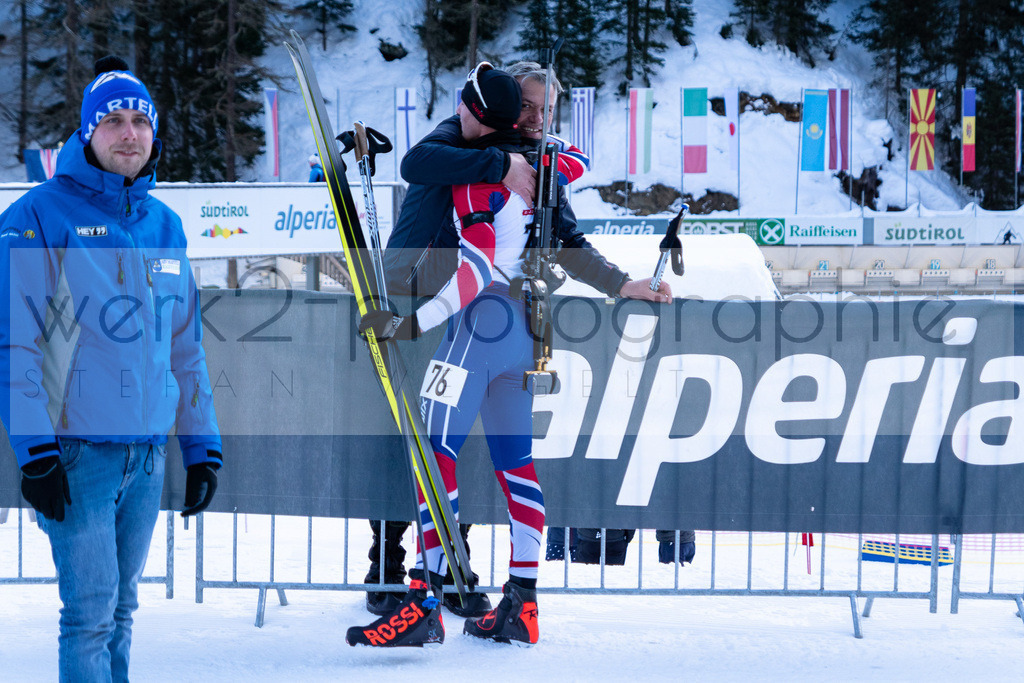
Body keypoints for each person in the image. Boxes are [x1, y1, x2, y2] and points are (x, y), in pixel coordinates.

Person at [347, 63, 671, 649]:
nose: (535, 118)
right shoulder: (519, 161)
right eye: (526, 106)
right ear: (504, 107)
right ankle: (522, 604)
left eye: (544, 110)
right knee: (516, 465)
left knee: (432, 455)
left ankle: (424, 601)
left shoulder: (507, 174)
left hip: (478, 322)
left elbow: (480, 267)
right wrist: (534, 160)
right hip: (524, 327)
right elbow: (427, 163)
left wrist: (408, 325)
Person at [0, 56, 222, 681]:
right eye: (114, 120)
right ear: (88, 132)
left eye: (141, 120)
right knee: (90, 617)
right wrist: (35, 453)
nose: (130, 133)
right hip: (76, 456)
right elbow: (13, 345)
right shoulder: (37, 216)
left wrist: (201, 446)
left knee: (121, 613)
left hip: (146, 457)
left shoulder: (165, 224)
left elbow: (185, 347)